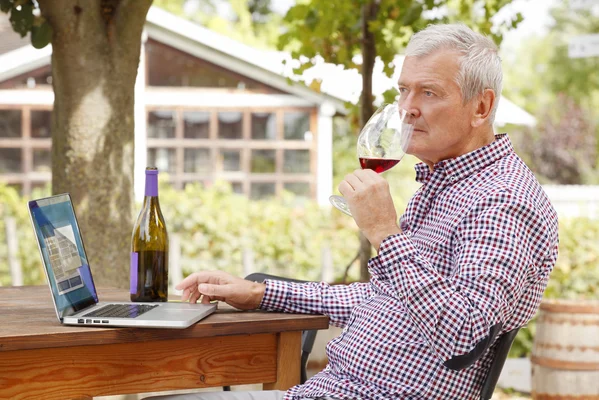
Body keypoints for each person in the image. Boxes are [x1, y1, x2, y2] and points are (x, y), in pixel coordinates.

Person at [149, 23, 559, 400]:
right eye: (404, 91)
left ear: (481, 108)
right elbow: (387, 297)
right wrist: (261, 293)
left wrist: (384, 231)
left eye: (429, 92)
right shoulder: (445, 184)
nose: (407, 108)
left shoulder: (502, 201)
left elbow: (463, 334)